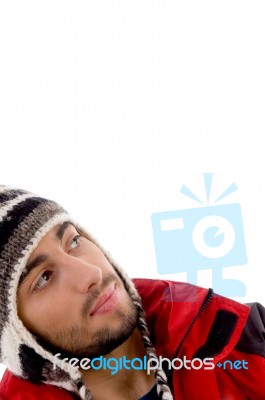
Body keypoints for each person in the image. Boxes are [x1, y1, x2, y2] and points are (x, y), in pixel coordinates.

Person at [0, 185, 264, 400]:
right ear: (14, 339)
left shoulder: (249, 337)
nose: (92, 273)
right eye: (43, 278)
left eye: (74, 241)